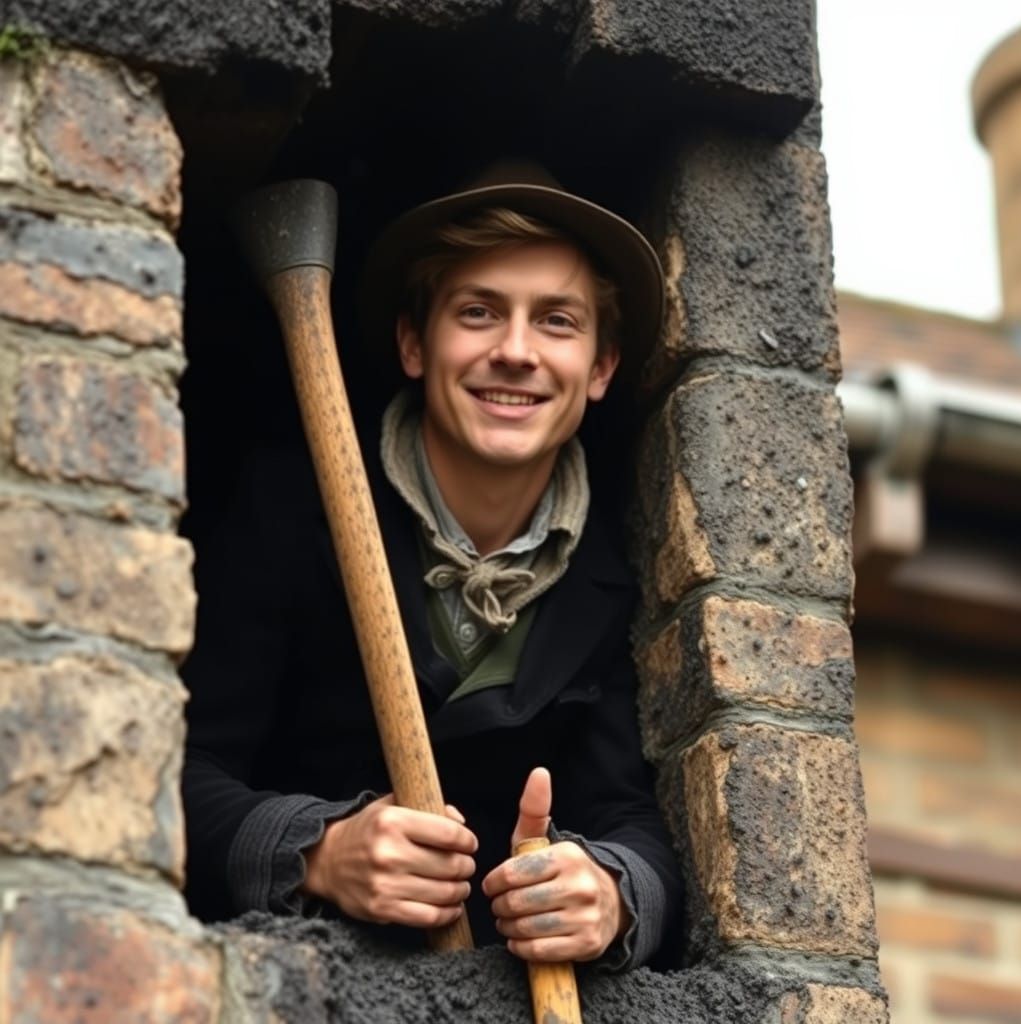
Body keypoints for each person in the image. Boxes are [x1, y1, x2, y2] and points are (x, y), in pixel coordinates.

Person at [182, 163, 683, 970]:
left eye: (557, 321)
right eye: (479, 312)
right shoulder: (289, 503)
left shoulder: (623, 573)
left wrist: (614, 895)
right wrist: (318, 852)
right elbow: (174, 771)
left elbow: (640, 824)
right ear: (415, 343)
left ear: (600, 369)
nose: (516, 352)